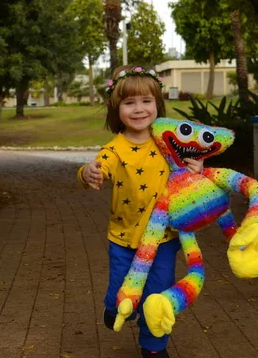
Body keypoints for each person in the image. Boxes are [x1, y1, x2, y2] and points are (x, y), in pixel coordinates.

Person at [77, 65, 203, 358]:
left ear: (157, 104)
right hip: (123, 238)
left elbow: (189, 173)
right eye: (129, 102)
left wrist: (196, 169)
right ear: (116, 108)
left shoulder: (168, 142)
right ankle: (114, 307)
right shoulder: (114, 148)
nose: (138, 109)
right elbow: (96, 168)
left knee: (157, 293)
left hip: (163, 238)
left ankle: (154, 346)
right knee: (120, 291)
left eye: (146, 101)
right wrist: (88, 173)